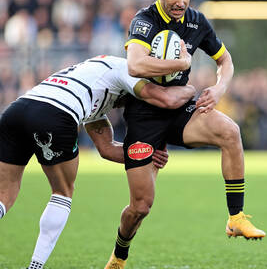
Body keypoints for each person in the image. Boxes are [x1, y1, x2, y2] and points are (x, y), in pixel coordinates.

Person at [105, 0, 266, 269]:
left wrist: (219, 90)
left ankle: (236, 217)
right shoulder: (144, 20)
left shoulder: (196, 21)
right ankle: (119, 255)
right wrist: (179, 65)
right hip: (144, 115)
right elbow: (135, 65)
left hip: (181, 108)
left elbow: (226, 61)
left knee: (230, 132)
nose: (180, 2)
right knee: (140, 206)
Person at [0, 53, 195, 269]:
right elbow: (165, 99)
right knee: (62, 193)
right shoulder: (126, 69)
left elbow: (107, 148)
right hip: (55, 113)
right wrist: (190, 89)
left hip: (15, 111)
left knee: (4, 194)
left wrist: (146, 155)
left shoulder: (94, 83)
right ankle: (35, 266)